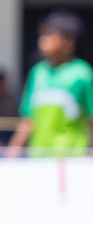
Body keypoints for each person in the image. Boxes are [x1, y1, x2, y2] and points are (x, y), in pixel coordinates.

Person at [6, 12, 93, 157]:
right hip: (40, 159)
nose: (43, 40)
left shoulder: (82, 74)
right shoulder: (37, 72)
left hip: (71, 160)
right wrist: (12, 151)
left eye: (50, 35)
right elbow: (29, 119)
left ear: (68, 42)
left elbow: (90, 120)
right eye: (42, 35)